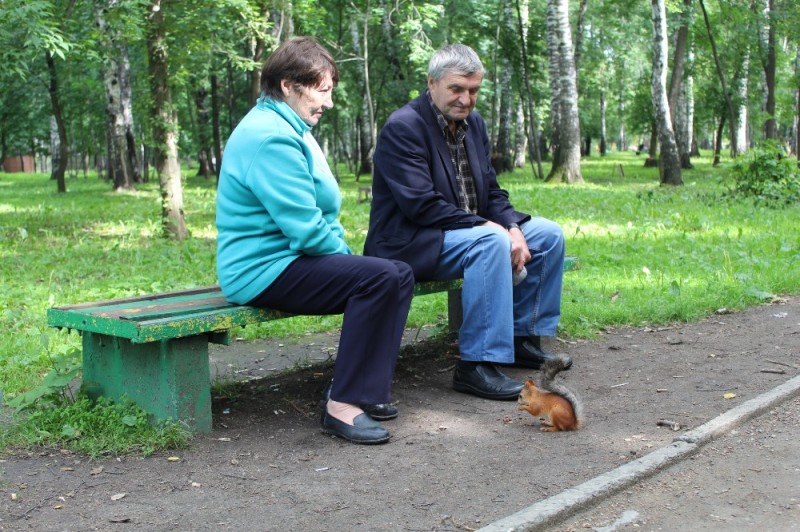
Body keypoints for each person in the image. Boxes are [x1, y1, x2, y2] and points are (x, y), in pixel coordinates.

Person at [216, 37, 414, 445]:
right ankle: (340, 405)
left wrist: (350, 262)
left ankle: (366, 392)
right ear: (289, 85)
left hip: (289, 259)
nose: (328, 102)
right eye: (322, 90)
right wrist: (348, 260)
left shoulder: (290, 125)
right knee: (377, 278)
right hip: (262, 269)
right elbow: (305, 229)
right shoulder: (270, 136)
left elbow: (314, 219)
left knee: (399, 273)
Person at [365, 43, 571, 401]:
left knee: (548, 235)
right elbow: (421, 206)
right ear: (432, 83)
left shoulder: (473, 124)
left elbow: (491, 190)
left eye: (473, 90)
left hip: (468, 232)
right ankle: (476, 365)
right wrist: (490, 229)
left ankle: (523, 338)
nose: (466, 99)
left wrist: (513, 226)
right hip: (413, 241)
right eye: (457, 89)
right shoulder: (404, 127)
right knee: (490, 243)